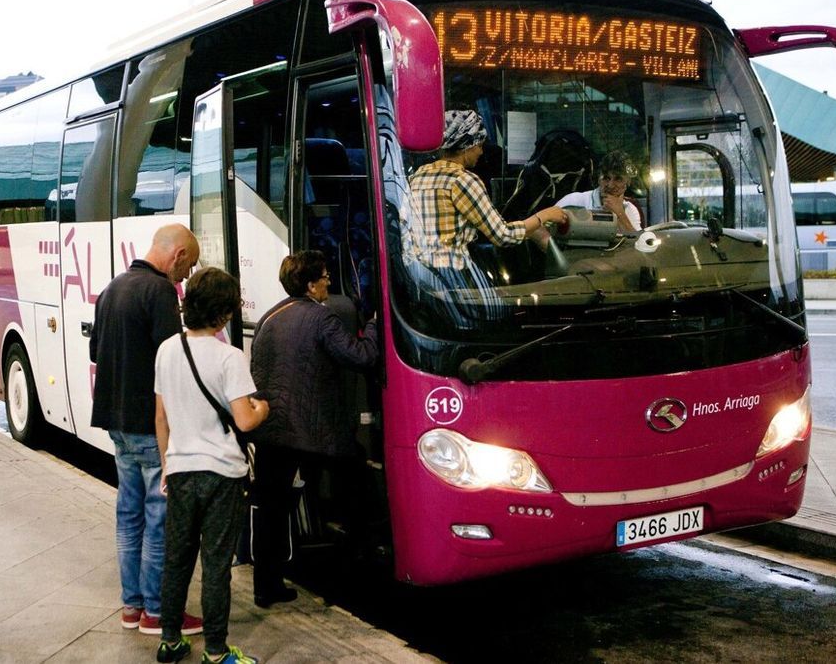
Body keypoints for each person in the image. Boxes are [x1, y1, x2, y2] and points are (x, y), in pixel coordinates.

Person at [89, 223, 203, 636]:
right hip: (148, 425)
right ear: (176, 256)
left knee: (128, 515)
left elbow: (94, 349)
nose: (186, 275)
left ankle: (132, 607)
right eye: (187, 266)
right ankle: (157, 611)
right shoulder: (159, 293)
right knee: (158, 518)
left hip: (115, 421)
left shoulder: (113, 287)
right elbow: (172, 360)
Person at [248, 250, 379, 608]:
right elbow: (361, 356)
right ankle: (357, 567)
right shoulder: (323, 319)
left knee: (272, 509)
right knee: (357, 480)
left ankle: (266, 585)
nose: (329, 282)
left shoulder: (269, 317)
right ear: (310, 284)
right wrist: (375, 325)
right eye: (324, 277)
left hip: (272, 431)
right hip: (314, 432)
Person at [154, 267, 269, 664]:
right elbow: (245, 420)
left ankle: (170, 641)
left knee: (177, 558)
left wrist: (167, 464)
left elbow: (161, 417)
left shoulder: (167, 349)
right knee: (216, 564)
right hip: (222, 474)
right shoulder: (229, 357)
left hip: (181, 470)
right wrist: (264, 407)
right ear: (224, 313)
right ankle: (217, 653)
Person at [405, 109, 568, 274]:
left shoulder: (418, 175)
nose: (481, 152)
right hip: (452, 275)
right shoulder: (463, 180)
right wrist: (544, 216)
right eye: (479, 146)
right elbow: (503, 235)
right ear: (466, 146)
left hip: (418, 273)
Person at [555, 149, 642, 231]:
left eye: (618, 179)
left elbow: (639, 244)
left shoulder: (630, 209)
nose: (611, 185)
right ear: (598, 179)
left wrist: (620, 213)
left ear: (628, 182)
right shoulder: (574, 201)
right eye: (606, 178)